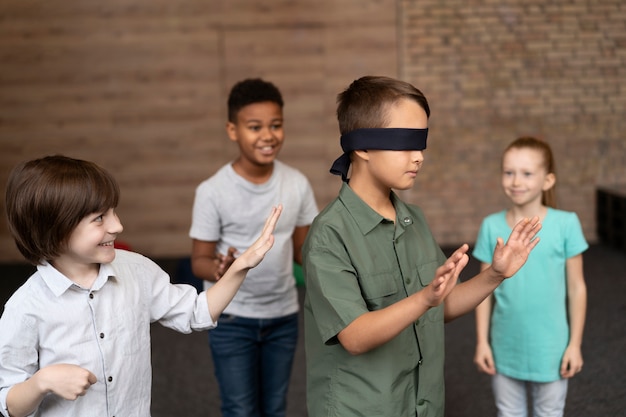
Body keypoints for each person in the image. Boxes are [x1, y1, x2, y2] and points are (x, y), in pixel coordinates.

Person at [302, 75, 542, 417]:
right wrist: (424, 298)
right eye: (405, 143)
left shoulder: (412, 219)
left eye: (422, 144)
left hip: (421, 406)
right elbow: (354, 336)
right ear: (363, 147)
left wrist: (495, 275)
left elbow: (442, 304)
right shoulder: (329, 236)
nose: (418, 157)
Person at [0, 155, 282, 417]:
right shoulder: (25, 308)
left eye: (113, 212)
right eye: (99, 218)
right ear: (56, 229)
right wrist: (42, 382)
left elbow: (197, 312)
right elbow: (10, 404)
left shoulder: (135, 270)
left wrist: (241, 265)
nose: (117, 225)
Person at [189, 78, 318, 417]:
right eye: (255, 127)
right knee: (240, 409)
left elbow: (304, 254)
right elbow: (199, 261)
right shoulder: (212, 191)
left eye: (276, 125)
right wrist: (219, 269)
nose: (268, 135)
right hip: (231, 319)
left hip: (282, 316)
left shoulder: (297, 183)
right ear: (233, 130)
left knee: (274, 408)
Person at [473, 136, 588, 417]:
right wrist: (482, 341)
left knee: (549, 413)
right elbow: (481, 292)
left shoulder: (566, 224)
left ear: (547, 181)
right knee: (508, 412)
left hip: (552, 348)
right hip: (505, 346)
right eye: (509, 172)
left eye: (526, 173)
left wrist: (574, 345)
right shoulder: (491, 226)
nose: (515, 181)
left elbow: (577, 288)